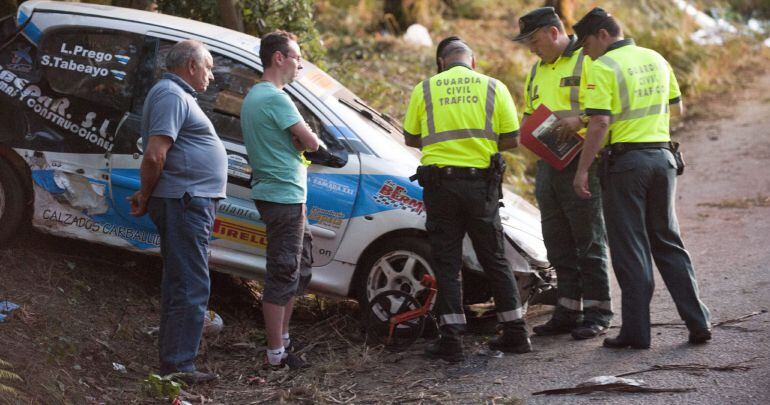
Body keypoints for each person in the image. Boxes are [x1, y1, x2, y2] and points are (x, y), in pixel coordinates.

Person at [571, 8, 711, 349]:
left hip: (626, 165)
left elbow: (600, 123)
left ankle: (636, 332)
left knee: (630, 247)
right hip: (663, 159)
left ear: (603, 35)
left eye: (587, 44)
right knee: (667, 240)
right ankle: (699, 322)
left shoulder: (603, 67)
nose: (586, 52)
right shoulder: (656, 58)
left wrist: (583, 168)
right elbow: (676, 106)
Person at [403, 36, 532, 362]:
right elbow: (512, 139)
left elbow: (410, 136)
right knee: (495, 258)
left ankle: (452, 341)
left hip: (441, 186)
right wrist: (478, 145)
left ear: (442, 63)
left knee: (447, 262)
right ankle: (516, 333)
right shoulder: (494, 87)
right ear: (472, 62)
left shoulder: (426, 88)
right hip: (481, 187)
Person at [128, 39, 225, 383]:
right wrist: (145, 192)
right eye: (209, 66)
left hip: (186, 200)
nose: (211, 75)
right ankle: (179, 368)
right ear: (192, 65)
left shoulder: (176, 94)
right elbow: (155, 154)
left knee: (181, 282)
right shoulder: (171, 94)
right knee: (190, 285)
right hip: (184, 201)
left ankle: (174, 364)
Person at [513, 7, 613, 340]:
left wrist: (582, 119)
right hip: (548, 165)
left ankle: (598, 312)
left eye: (533, 40)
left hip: (583, 161)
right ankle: (569, 311)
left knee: (588, 239)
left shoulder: (588, 60)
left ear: (553, 32)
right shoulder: (536, 71)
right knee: (557, 241)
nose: (531, 48)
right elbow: (530, 114)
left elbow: (607, 107)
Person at [240, 30, 320, 369]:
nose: (300, 63)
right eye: (297, 57)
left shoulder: (257, 96)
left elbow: (297, 141)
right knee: (283, 270)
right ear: (279, 58)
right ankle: (276, 353)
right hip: (282, 195)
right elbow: (312, 143)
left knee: (298, 266)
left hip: (283, 194)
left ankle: (284, 340)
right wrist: (304, 139)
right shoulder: (275, 98)